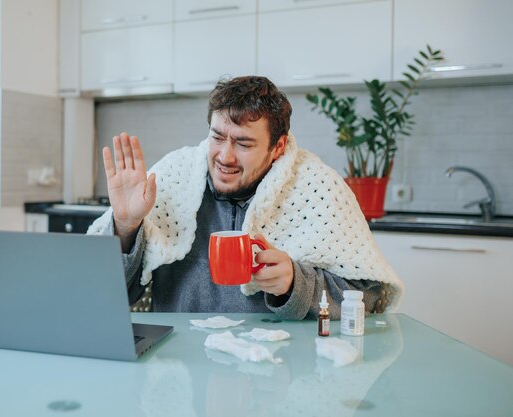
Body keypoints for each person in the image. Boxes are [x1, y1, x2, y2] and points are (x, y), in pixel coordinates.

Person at [87, 76, 402, 320]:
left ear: (277, 147)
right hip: (177, 367)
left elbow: (369, 298)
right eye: (217, 137)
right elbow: (110, 291)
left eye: (244, 144)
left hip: (277, 370)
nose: (225, 156)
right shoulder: (172, 174)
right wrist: (126, 227)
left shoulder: (316, 187)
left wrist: (296, 284)